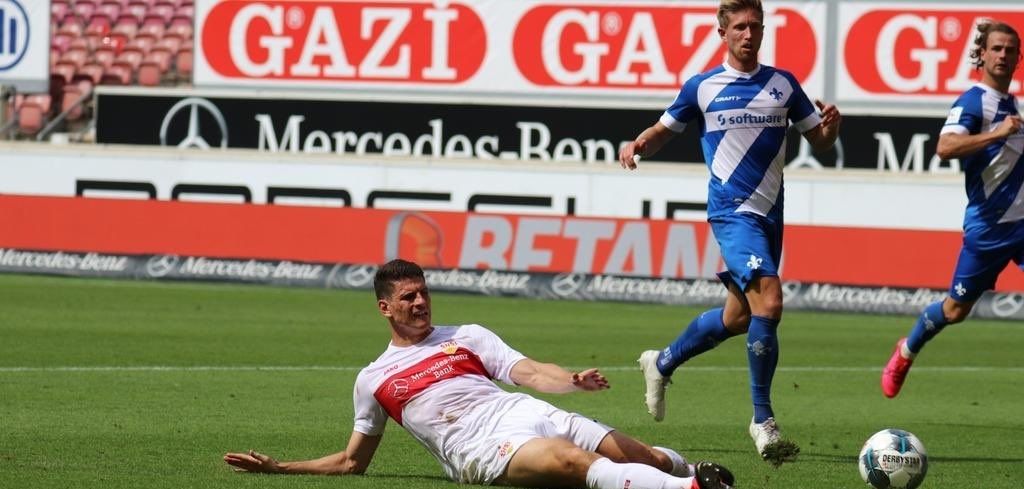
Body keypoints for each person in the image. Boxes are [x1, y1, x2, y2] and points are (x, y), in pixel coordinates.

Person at [224, 259, 736, 489]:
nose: (422, 302)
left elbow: (529, 370)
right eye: (409, 297)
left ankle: (689, 474)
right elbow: (351, 464)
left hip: (525, 410)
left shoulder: (466, 334)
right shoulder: (373, 379)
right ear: (385, 308)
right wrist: (279, 468)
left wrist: (569, 381)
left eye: (424, 292)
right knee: (570, 463)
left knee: (646, 457)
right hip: (481, 447)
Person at [617, 0, 841, 465]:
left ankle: (660, 362)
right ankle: (762, 420)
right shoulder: (702, 87)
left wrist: (831, 131)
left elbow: (818, 140)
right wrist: (639, 143)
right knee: (771, 301)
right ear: (723, 32)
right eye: (739, 26)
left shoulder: (783, 84)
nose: (749, 33)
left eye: (755, 25)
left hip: (770, 216)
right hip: (732, 214)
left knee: (740, 318)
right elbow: (664, 129)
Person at [881, 20, 1023, 398]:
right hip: (989, 229)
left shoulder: (1013, 104)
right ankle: (906, 350)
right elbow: (945, 147)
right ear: (982, 54)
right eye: (997, 48)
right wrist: (997, 133)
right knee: (956, 310)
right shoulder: (973, 101)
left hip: (1022, 225)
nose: (1003, 55)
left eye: (1010, 50)